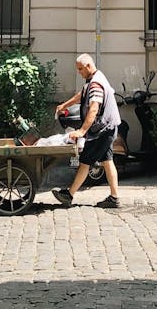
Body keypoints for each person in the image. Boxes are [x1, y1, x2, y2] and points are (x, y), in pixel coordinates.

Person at [52, 53, 121, 209]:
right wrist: (64, 105)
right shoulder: (95, 78)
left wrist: (82, 131)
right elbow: (81, 95)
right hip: (107, 127)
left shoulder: (96, 84)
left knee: (85, 161)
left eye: (81, 69)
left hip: (103, 130)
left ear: (89, 66)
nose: (79, 72)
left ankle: (68, 195)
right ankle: (114, 198)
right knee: (108, 161)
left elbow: (94, 109)